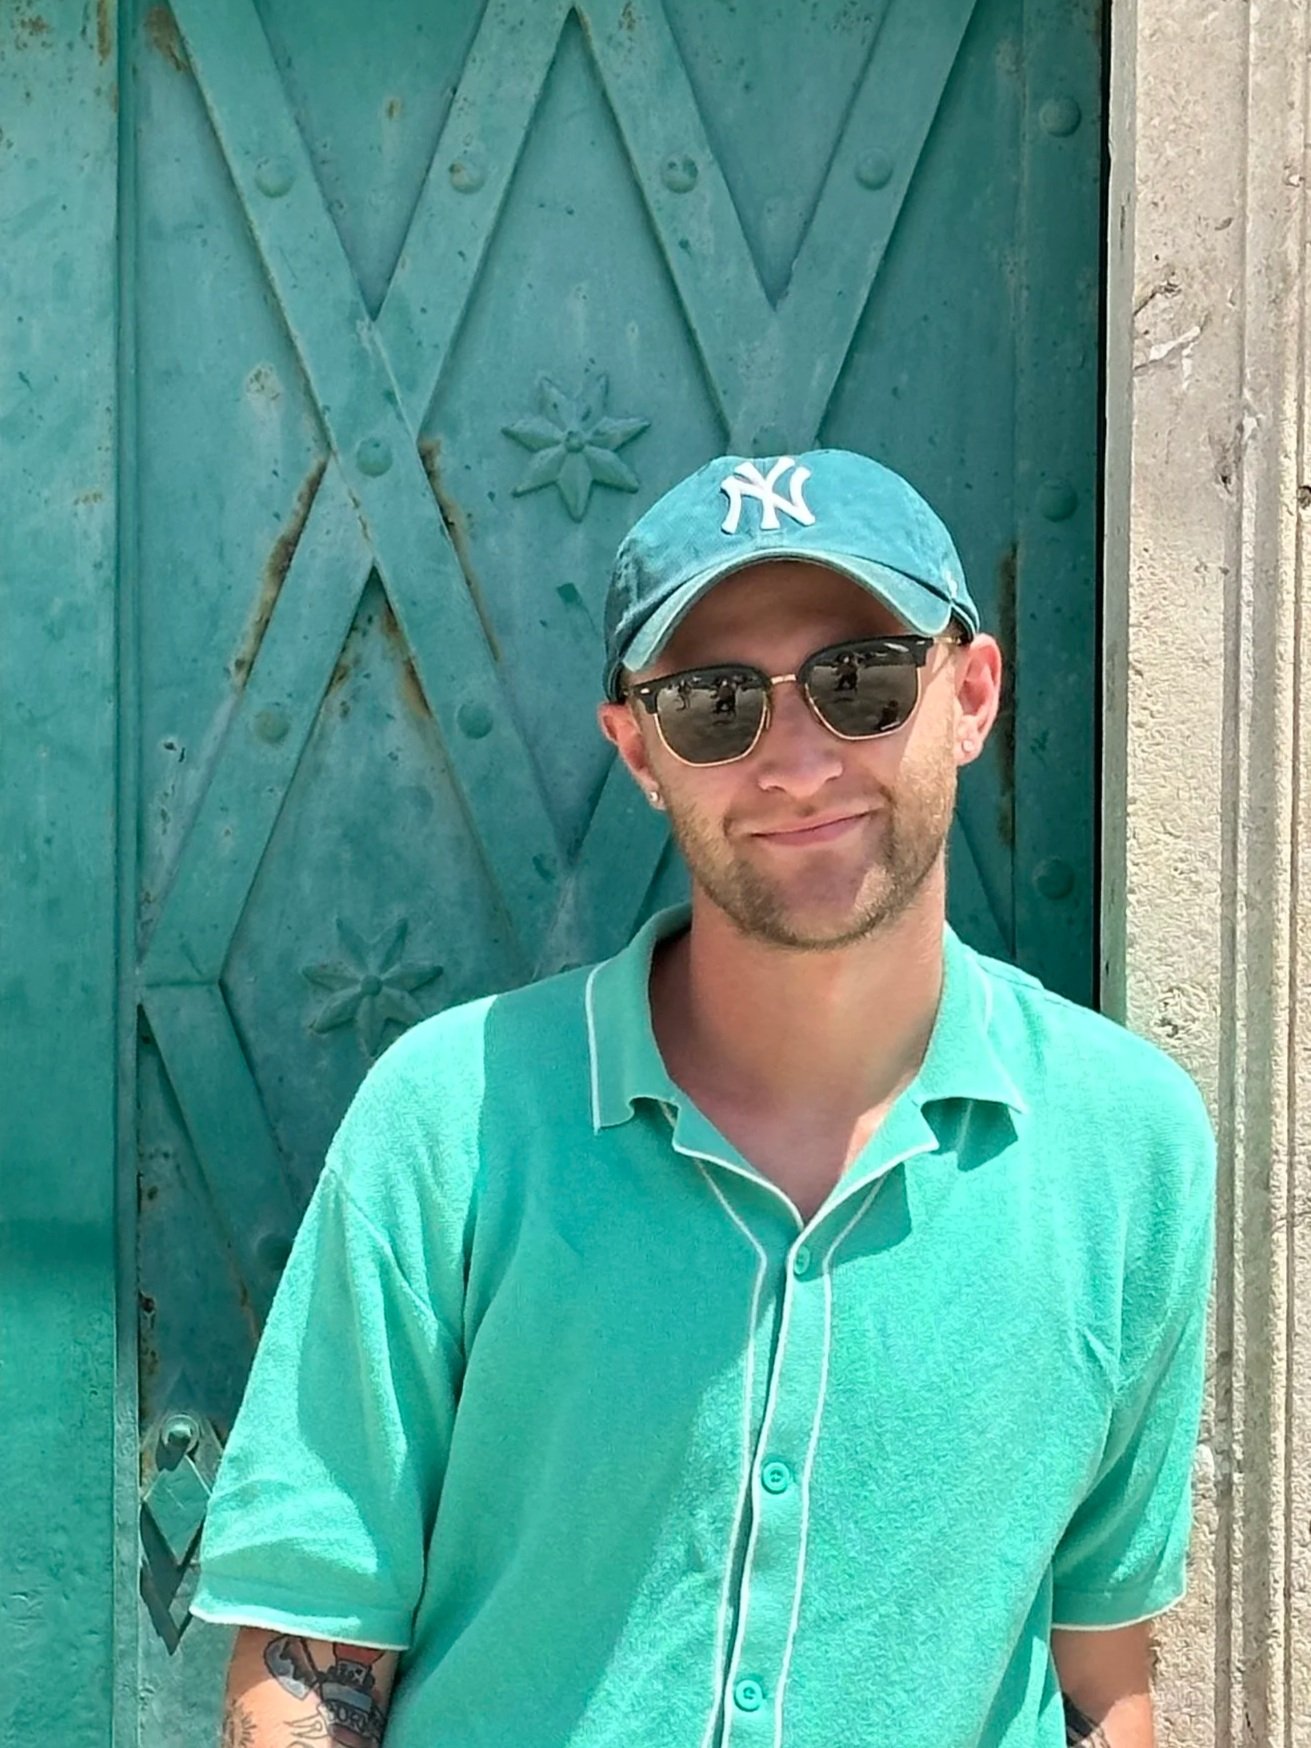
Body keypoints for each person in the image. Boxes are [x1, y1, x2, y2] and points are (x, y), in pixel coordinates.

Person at [192, 449, 1215, 1748]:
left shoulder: (1131, 1149)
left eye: (860, 681)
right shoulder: (452, 1121)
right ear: (639, 750)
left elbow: (1099, 1670)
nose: (794, 763)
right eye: (714, 705)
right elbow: (311, 1652)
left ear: (970, 695)